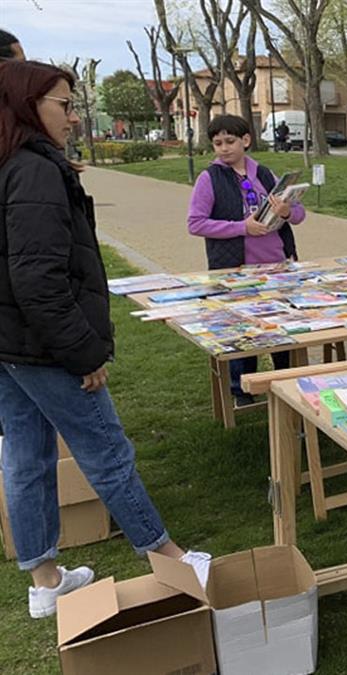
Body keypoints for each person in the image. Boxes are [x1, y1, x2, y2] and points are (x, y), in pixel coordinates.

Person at [0, 60, 208, 619]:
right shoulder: (33, 171)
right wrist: (83, 353)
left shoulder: (22, 166)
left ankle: (46, 579)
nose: (72, 116)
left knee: (25, 455)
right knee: (105, 449)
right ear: (28, 106)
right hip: (42, 345)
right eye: (63, 105)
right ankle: (170, 558)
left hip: (14, 343)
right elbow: (39, 279)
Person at [186, 114, 306, 407]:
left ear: (246, 141)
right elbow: (196, 223)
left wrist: (287, 212)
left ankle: (285, 381)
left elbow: (299, 214)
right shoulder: (209, 178)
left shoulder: (264, 174)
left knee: (281, 329)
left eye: (230, 141)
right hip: (236, 270)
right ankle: (242, 391)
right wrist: (242, 227)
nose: (224, 148)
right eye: (217, 143)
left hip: (277, 265)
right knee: (244, 333)